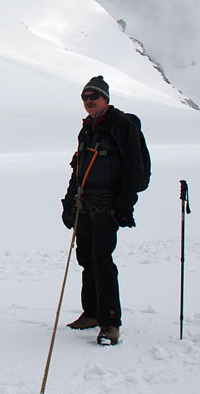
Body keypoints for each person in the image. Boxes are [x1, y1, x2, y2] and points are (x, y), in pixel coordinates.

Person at [60, 75, 144, 345]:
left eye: (93, 97)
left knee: (102, 260)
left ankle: (110, 322)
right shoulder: (87, 128)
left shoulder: (121, 125)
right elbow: (78, 169)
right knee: (85, 258)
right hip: (85, 202)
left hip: (107, 204)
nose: (88, 102)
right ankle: (92, 312)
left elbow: (135, 169)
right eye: (84, 98)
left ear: (106, 98)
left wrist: (124, 206)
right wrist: (69, 202)